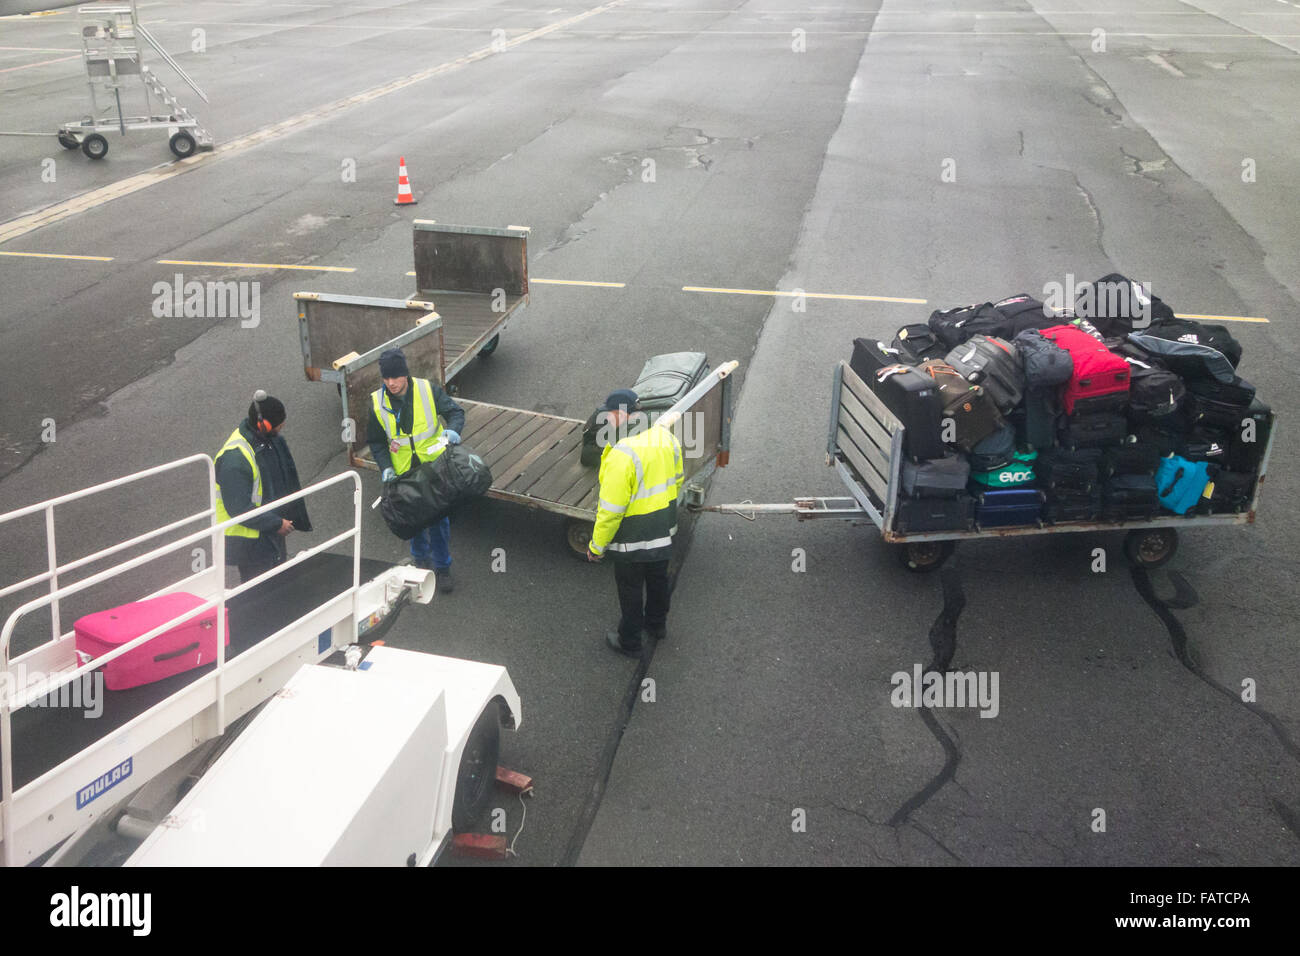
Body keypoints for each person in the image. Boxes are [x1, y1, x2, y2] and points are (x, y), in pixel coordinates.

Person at [587, 389, 684, 656]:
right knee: (657, 581)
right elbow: (677, 478)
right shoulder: (664, 436)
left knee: (630, 591)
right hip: (663, 530)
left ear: (620, 415)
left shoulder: (622, 454)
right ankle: (657, 626)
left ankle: (629, 641)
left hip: (632, 538)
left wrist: (596, 547)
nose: (605, 419)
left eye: (608, 414)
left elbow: (611, 511)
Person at [367, 347, 465, 591]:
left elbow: (455, 412)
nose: (391, 383)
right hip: (404, 474)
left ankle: (443, 568)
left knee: (438, 521)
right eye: (386, 378)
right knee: (413, 520)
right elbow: (377, 442)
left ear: (405, 374)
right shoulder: (377, 403)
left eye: (396, 377)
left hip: (433, 469)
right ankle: (420, 562)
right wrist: (386, 468)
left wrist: (453, 430)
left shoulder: (426, 390)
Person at [214, 392, 312, 584]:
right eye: (278, 425)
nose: (282, 428)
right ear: (264, 425)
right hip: (251, 542)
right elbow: (240, 509)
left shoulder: (266, 440)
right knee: (259, 594)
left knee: (277, 584)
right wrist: (276, 524)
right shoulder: (235, 459)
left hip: (268, 531)